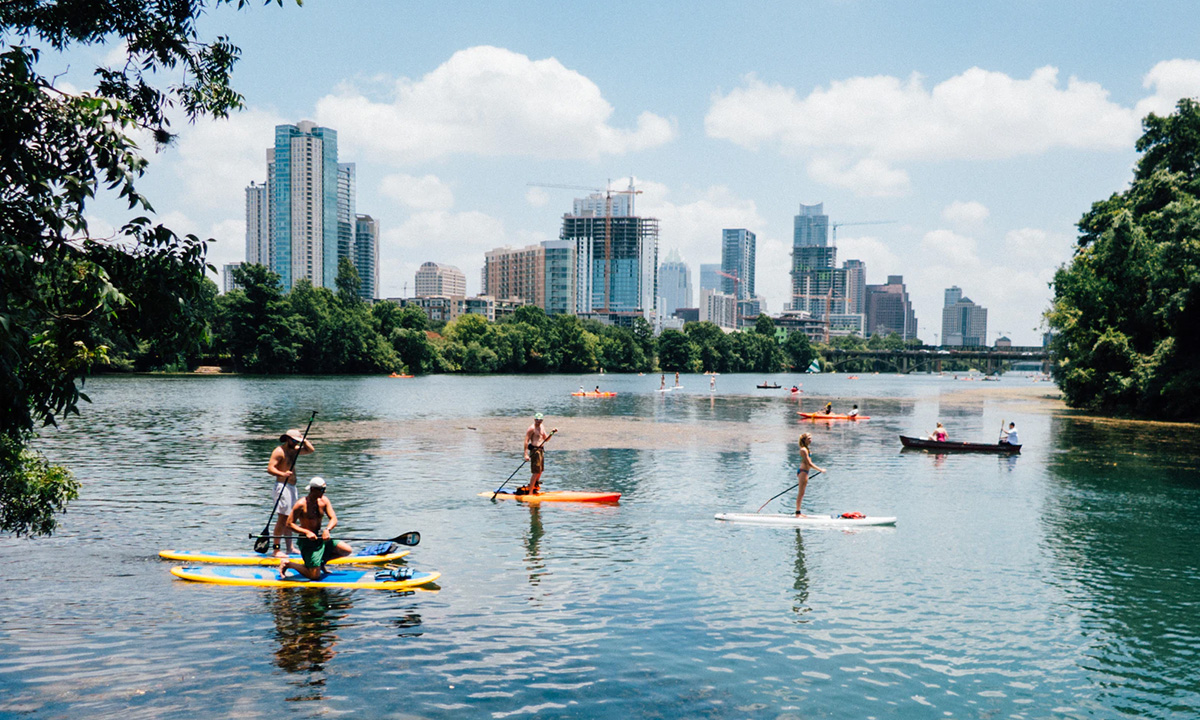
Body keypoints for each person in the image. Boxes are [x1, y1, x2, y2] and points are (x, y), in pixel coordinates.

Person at [279, 478, 351, 580]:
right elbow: (289, 524)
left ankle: (320, 563)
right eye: (322, 489)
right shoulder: (301, 504)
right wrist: (306, 532)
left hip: (321, 537)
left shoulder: (324, 501)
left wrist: (327, 530)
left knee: (346, 550)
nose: (324, 492)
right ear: (313, 489)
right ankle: (288, 564)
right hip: (307, 541)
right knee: (315, 576)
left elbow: (333, 519)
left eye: (324, 489)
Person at [266, 428, 315, 558]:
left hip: (292, 487)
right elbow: (270, 468)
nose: (296, 443)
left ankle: (290, 548)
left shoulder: (294, 450)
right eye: (294, 440)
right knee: (282, 518)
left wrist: (303, 440)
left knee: (290, 518)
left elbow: (311, 450)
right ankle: (276, 549)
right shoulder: (279, 451)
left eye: (297, 441)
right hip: (282, 486)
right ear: (287, 439)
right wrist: (283, 473)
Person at [518, 413, 557, 495]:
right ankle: (530, 493)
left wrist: (552, 433)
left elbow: (546, 439)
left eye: (540, 420)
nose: (538, 421)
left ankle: (534, 486)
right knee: (535, 472)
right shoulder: (531, 428)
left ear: (542, 420)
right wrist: (525, 454)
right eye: (537, 420)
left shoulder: (542, 427)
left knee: (540, 471)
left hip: (541, 450)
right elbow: (526, 441)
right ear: (534, 419)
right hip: (535, 451)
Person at [795, 433, 826, 517]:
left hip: (805, 472)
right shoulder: (803, 450)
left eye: (811, 438)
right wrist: (820, 470)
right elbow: (809, 463)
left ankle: (799, 512)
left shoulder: (806, 449)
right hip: (803, 471)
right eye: (808, 438)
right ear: (804, 440)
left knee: (802, 493)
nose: (810, 440)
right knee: (801, 493)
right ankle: (797, 513)